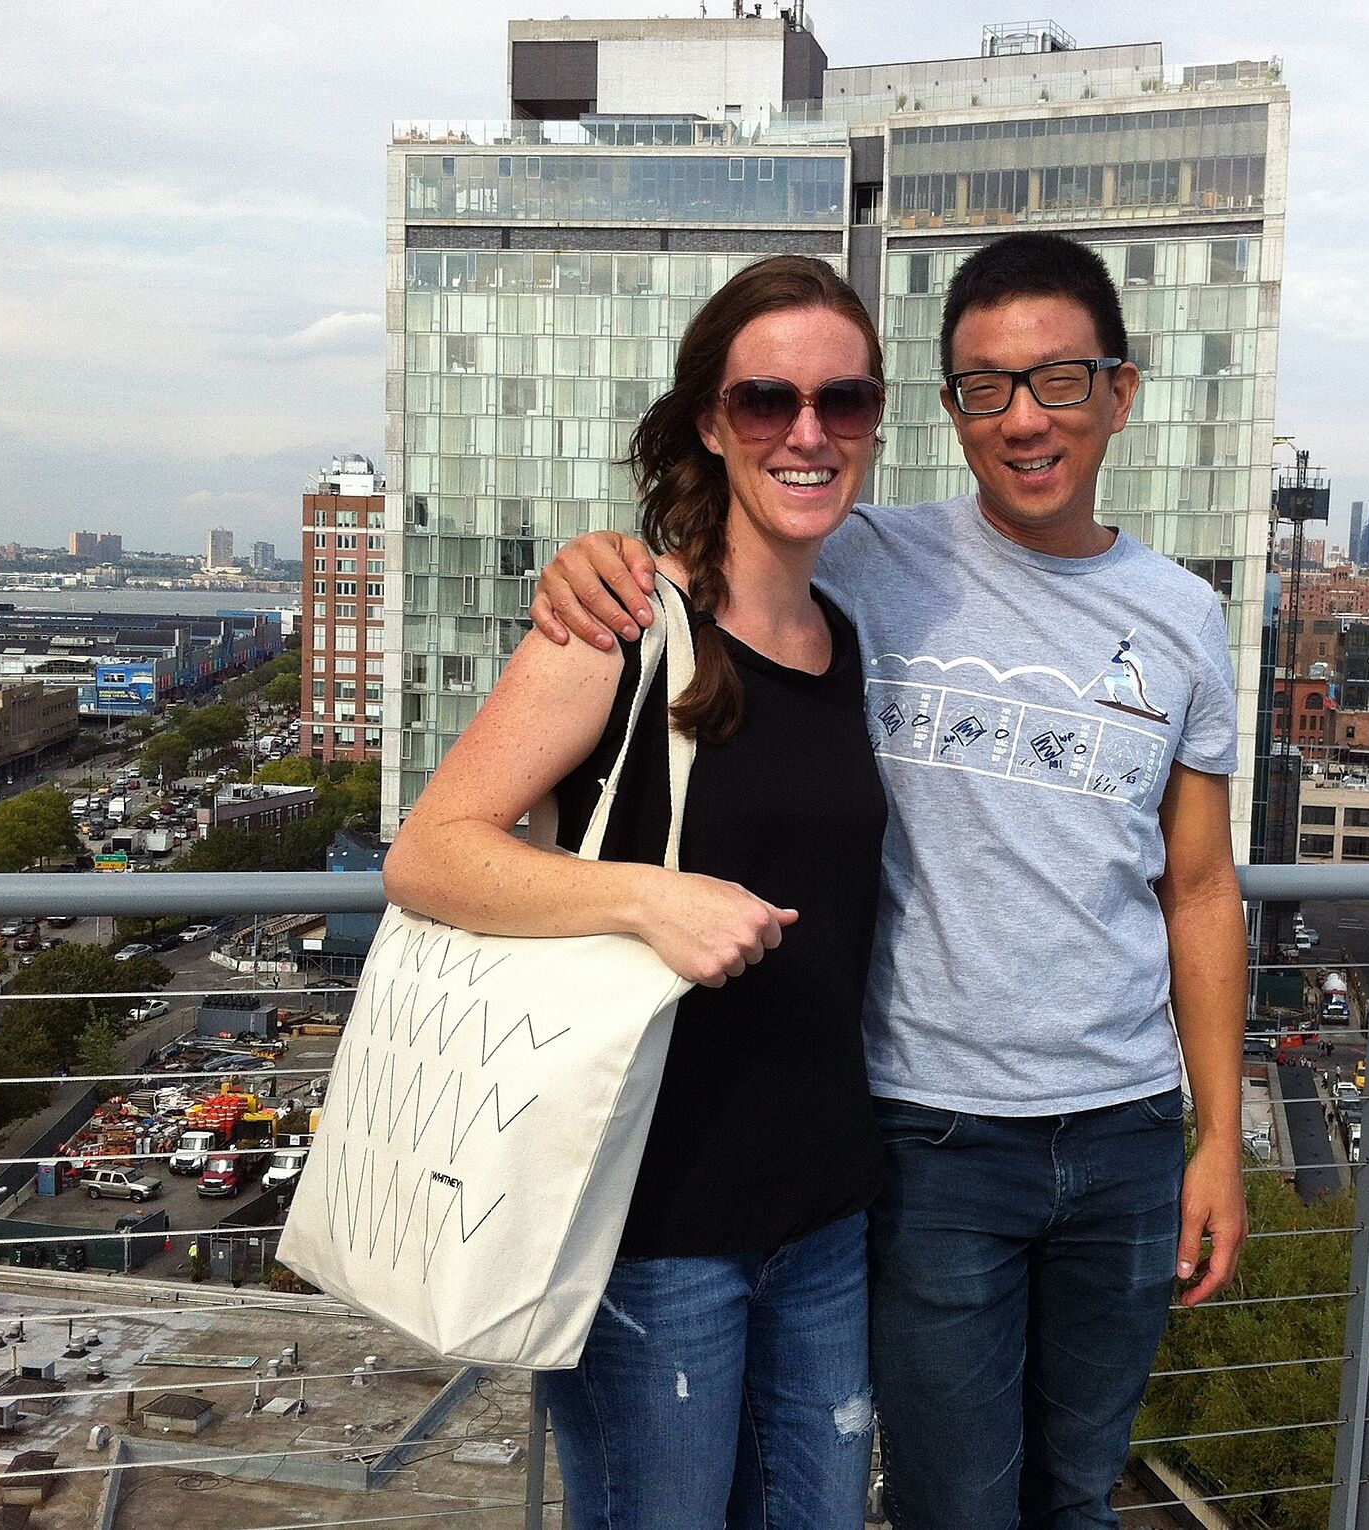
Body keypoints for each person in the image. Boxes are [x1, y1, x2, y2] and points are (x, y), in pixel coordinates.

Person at [532, 231, 1249, 1530]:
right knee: (950, 1502)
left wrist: (1220, 1137)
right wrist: (596, 557)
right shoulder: (871, 558)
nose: (1024, 418)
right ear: (948, 411)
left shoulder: (1188, 619)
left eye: (1060, 380)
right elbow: (734, 536)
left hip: (1131, 1132)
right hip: (932, 1134)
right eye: (985, 387)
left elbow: (1198, 890)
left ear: (1123, 393)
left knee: (1078, 1488)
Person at [383, 255, 890, 1530]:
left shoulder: (847, 638)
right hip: (645, 1229)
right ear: (713, 425)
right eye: (767, 400)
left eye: (846, 400)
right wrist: (641, 899)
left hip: (824, 1218)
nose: (808, 432)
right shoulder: (618, 624)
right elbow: (431, 851)